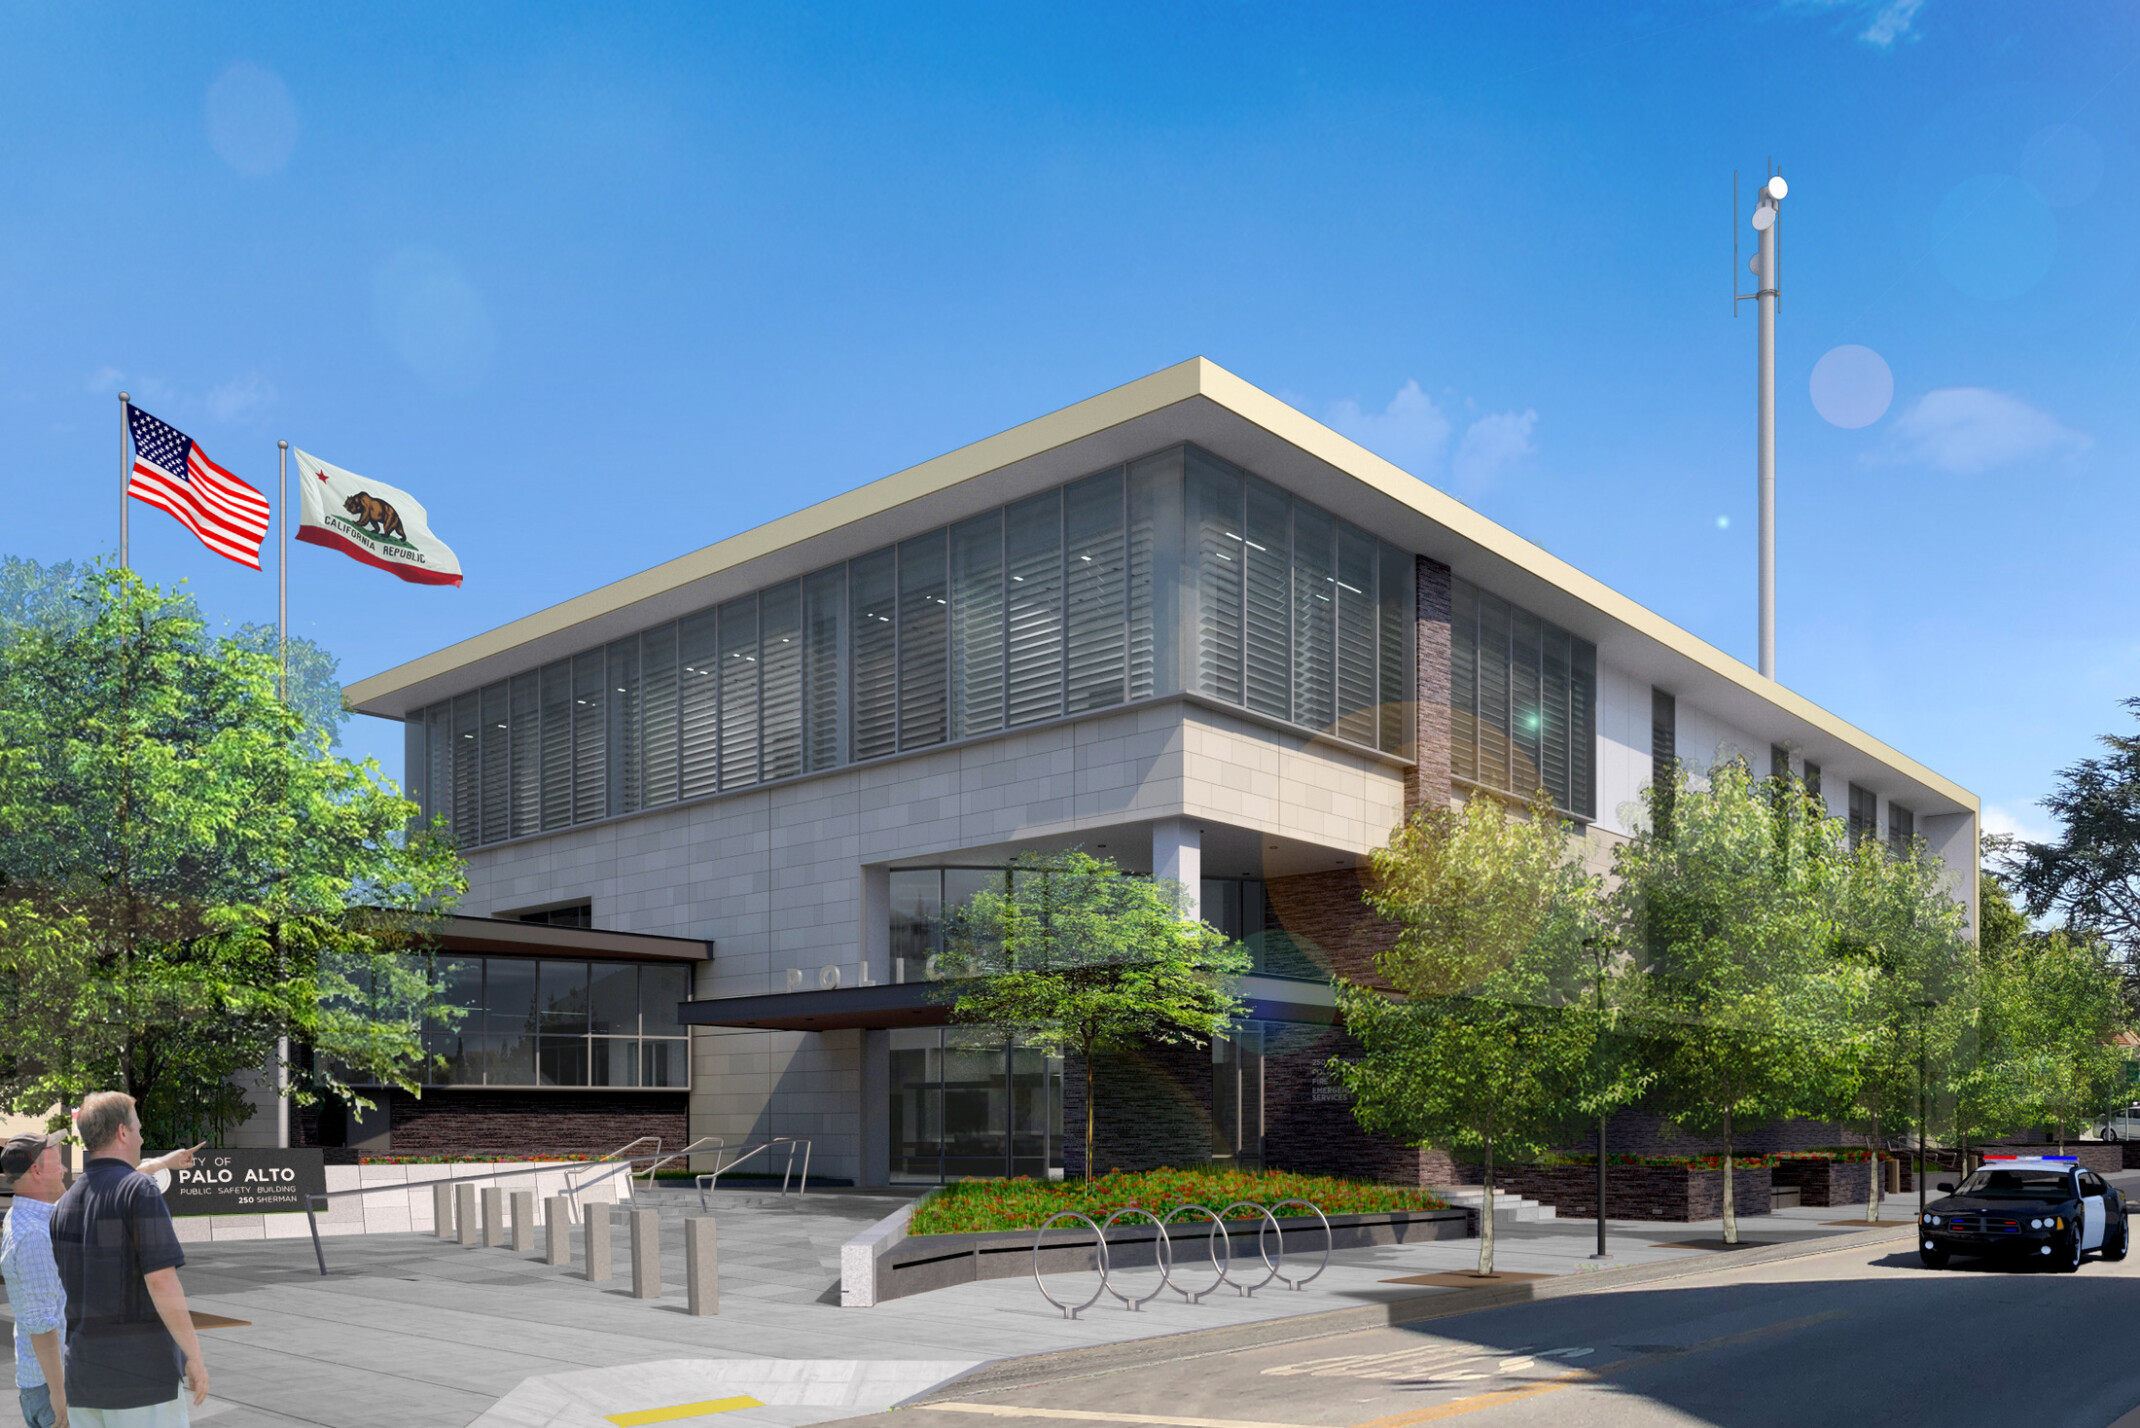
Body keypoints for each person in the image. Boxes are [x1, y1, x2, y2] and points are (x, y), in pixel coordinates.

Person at [4, 1130, 199, 1428]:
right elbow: (43, 1326)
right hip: (54, 1390)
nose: (65, 1170)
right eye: (58, 1163)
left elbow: (108, 1188)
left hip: (49, 1384)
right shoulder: (35, 1236)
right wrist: (61, 1397)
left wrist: (162, 1163)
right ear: (36, 1171)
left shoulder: (33, 1217)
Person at [48, 1096, 209, 1428]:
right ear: (122, 1132)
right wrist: (193, 1355)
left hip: (83, 1381)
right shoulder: (140, 1192)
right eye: (137, 1128)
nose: (141, 1137)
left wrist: (162, 1163)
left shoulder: (63, 1206)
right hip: (142, 1384)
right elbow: (161, 1282)